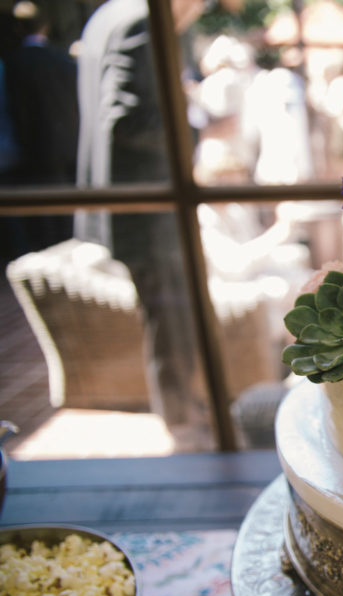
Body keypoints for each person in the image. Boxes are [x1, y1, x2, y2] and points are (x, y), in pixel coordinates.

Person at [74, 0, 207, 438]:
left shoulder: (109, 15)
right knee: (171, 321)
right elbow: (126, 121)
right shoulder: (140, 21)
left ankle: (185, 415)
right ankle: (182, 426)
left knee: (168, 319)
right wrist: (201, 127)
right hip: (150, 211)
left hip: (132, 207)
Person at [3, 1, 78, 250]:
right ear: (45, 27)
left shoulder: (12, 65)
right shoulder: (63, 61)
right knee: (66, 223)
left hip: (27, 156)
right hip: (65, 151)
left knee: (39, 228)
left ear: (17, 29)